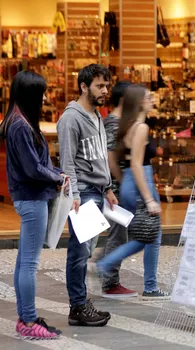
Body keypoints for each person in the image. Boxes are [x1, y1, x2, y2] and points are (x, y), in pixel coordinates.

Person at [0, 71, 66, 339]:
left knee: (23, 263)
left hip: (28, 197)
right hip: (31, 198)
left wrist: (56, 173)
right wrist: (57, 177)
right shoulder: (19, 125)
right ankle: (27, 321)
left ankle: (25, 316)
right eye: (41, 93)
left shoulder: (18, 121)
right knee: (29, 263)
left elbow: (36, 166)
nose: (45, 98)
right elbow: (32, 168)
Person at [57, 63, 117, 327]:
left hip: (96, 191)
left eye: (106, 85)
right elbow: (67, 162)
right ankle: (77, 306)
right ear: (83, 86)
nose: (105, 91)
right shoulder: (71, 118)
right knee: (79, 252)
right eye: (99, 86)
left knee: (86, 250)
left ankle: (80, 302)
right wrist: (74, 195)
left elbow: (99, 156)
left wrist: (108, 187)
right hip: (83, 193)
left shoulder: (97, 115)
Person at [96, 84, 168, 299]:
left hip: (130, 180)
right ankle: (106, 265)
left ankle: (148, 284)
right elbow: (136, 164)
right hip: (139, 180)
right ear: (138, 102)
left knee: (146, 233)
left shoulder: (127, 126)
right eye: (148, 97)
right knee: (148, 235)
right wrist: (148, 199)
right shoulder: (138, 127)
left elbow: (119, 158)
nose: (152, 99)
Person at [97, 81, 138, 299]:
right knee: (119, 234)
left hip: (116, 187)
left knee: (120, 232)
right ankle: (110, 282)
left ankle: (101, 263)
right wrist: (121, 183)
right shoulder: (113, 123)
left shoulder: (117, 122)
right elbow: (111, 159)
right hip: (114, 189)